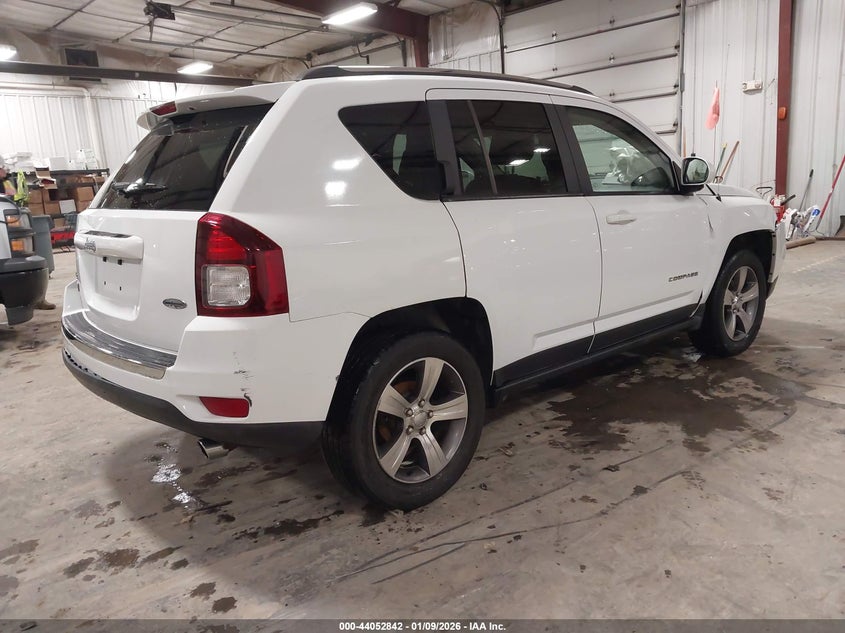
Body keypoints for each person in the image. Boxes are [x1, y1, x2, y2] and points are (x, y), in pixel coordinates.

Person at [0, 162, 56, 310]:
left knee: (36, 259)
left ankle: (38, 299)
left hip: (14, 226)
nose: (3, 171)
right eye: (1, 168)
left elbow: (12, 198)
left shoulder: (6, 181)